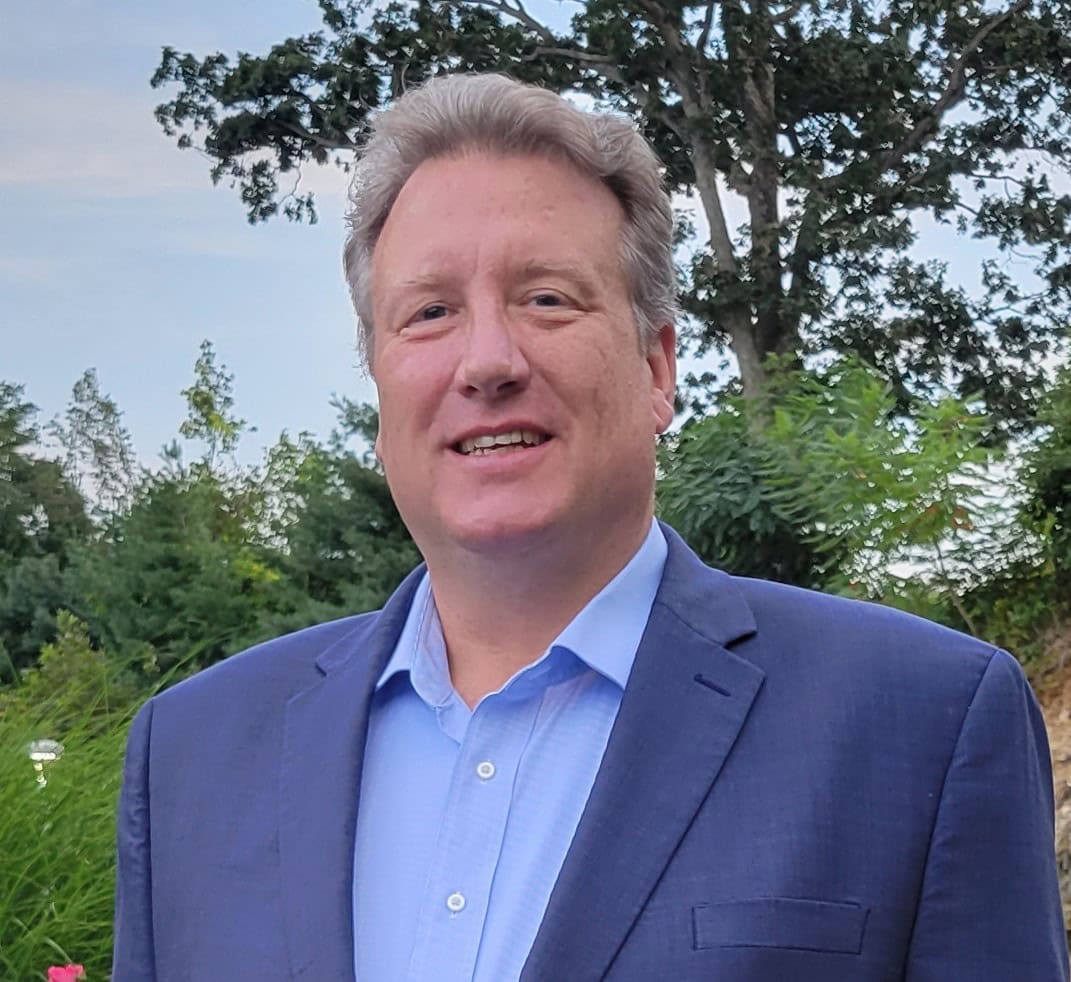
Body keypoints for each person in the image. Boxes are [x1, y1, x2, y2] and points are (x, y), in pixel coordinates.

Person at [112, 73, 1068, 981]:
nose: (485, 361)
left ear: (656, 368)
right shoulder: (192, 753)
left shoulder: (922, 722)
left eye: (545, 299)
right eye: (429, 312)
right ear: (378, 376)